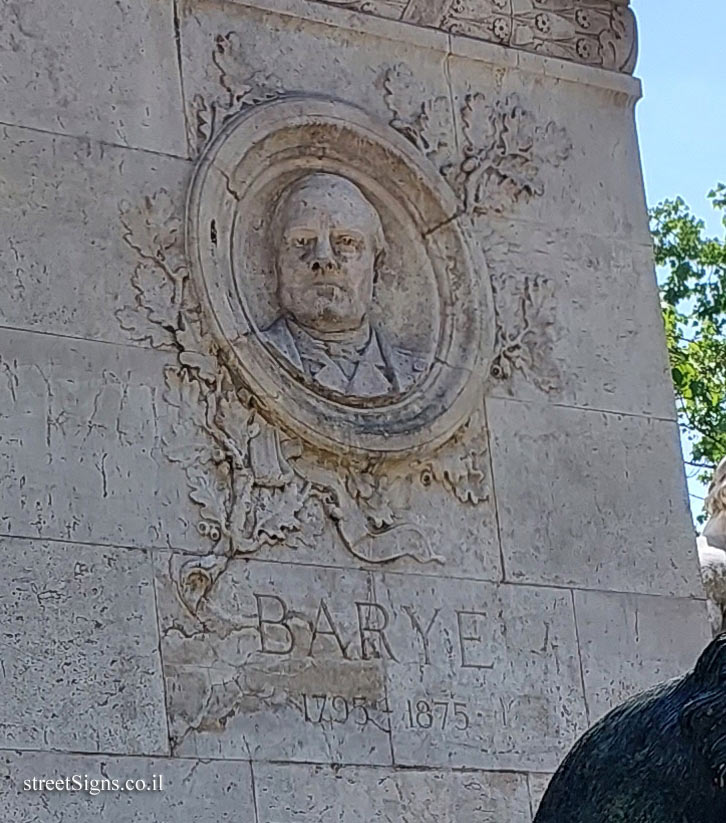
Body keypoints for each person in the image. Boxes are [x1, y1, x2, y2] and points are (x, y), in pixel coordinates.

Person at [260, 172, 426, 400]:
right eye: (302, 241)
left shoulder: (415, 374)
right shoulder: (257, 350)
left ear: (376, 266)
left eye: (346, 242)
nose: (324, 258)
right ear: (276, 264)